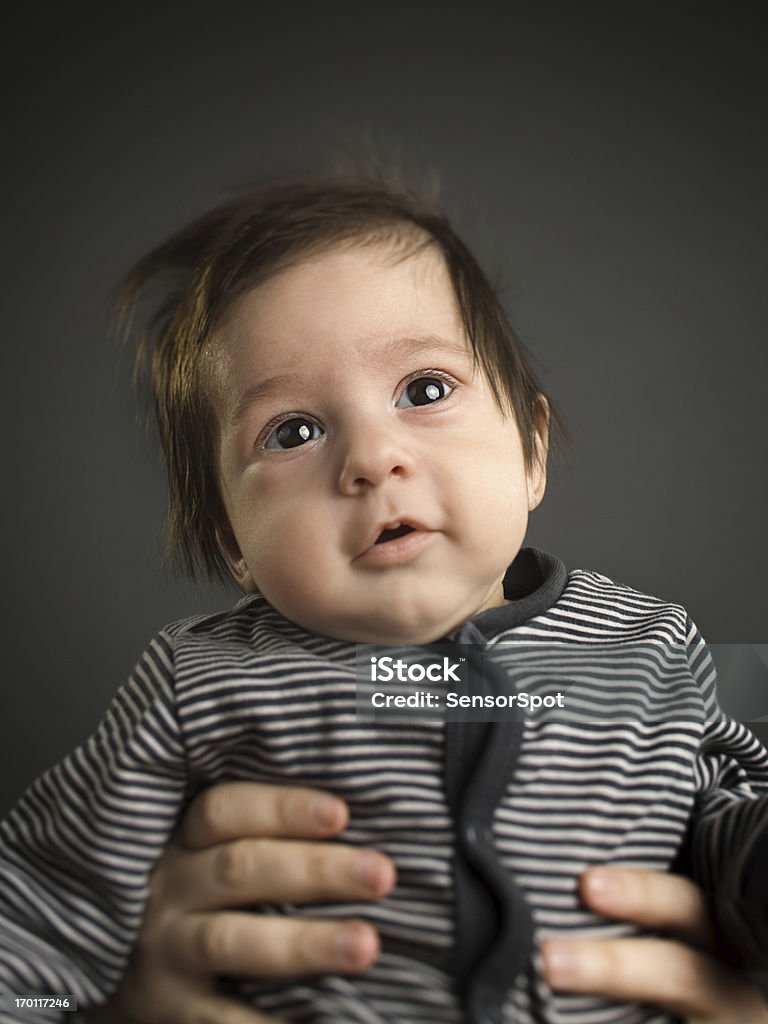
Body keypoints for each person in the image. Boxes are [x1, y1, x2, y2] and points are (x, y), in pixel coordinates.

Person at [1, 176, 766, 1024]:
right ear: (234, 544)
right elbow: (43, 904)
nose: (372, 457)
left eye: (425, 390)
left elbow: (722, 823)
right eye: (293, 431)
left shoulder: (645, 644)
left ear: (533, 453)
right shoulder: (204, 681)